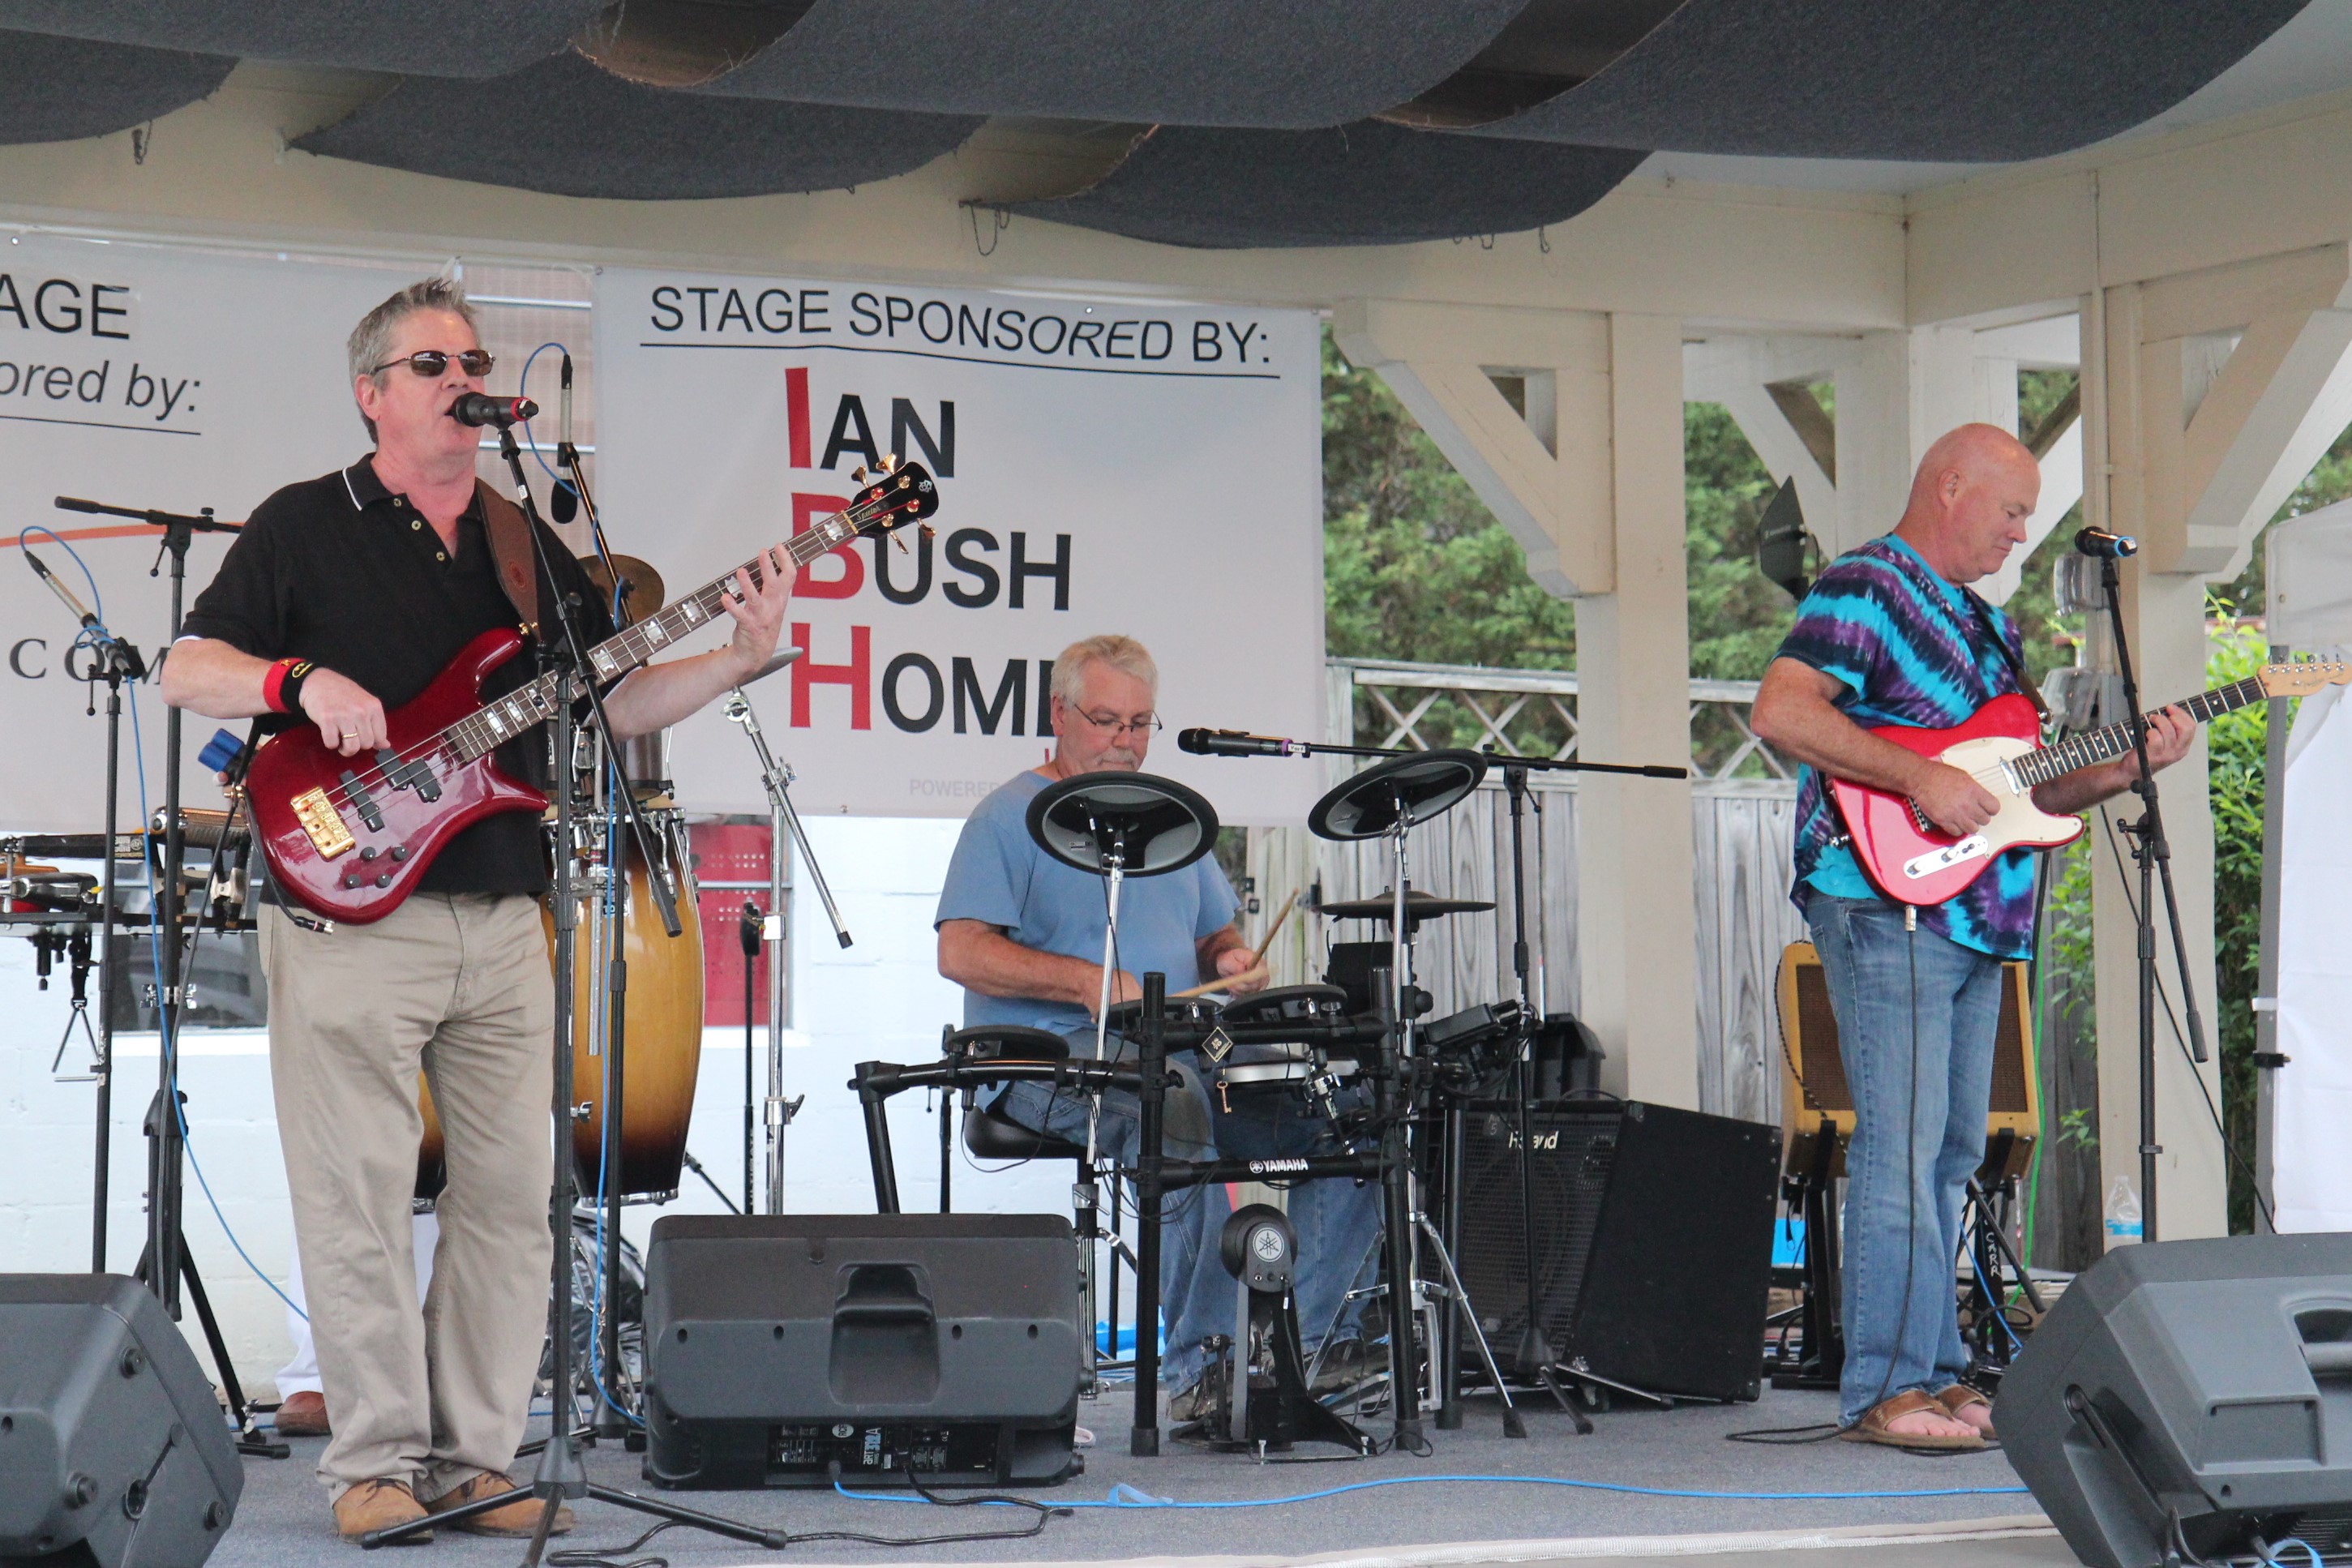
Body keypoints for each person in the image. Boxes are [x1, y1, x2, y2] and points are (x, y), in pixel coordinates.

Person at [162, 278, 796, 1540]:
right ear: (373, 393)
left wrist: (739, 653)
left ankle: (475, 1458)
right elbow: (189, 667)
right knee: (358, 1190)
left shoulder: (523, 542)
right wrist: (297, 681)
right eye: (435, 362)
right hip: (351, 904)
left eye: (472, 361)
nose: (465, 378)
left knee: (513, 1197)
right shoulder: (304, 522)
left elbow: (603, 704)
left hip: (506, 908)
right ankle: (376, 1461)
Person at [1750, 422, 2193, 1450]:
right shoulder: (1867, 584)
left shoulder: (1989, 626)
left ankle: (1937, 1371)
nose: (2021, 533)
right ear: (1951, 486)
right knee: (1903, 1146)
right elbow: (1780, 710)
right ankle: (1886, 1387)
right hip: (1884, 899)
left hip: (1976, 913)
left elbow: (2022, 795)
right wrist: (1919, 775)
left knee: (1952, 1150)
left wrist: (2128, 765)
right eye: (2011, 509)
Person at [935, 634, 1380, 1416]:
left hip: (1182, 1047)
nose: (1125, 741)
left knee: (1347, 1116)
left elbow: (1214, 935)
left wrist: (1232, 955)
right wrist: (1084, 981)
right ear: (1059, 714)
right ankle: (1204, 1367)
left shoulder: (1170, 822)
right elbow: (960, 951)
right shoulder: (1006, 817)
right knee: (1171, 1104)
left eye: (1140, 724)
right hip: (1046, 1059)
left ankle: (1311, 1348)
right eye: (1106, 720)